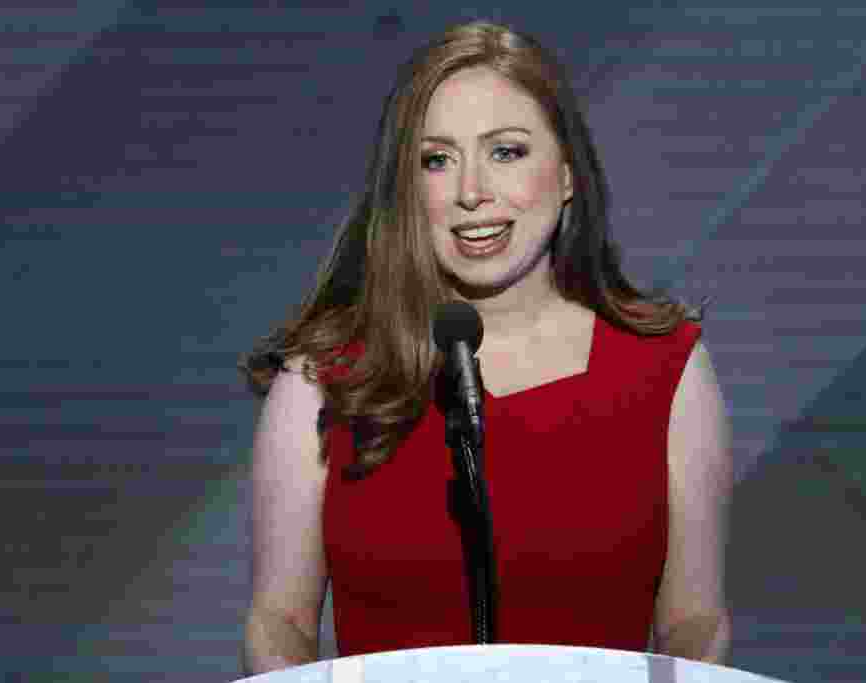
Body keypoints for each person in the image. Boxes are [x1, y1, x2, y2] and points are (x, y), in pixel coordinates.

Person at [238, 19, 732, 675]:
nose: (472, 192)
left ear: (566, 173)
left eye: (506, 152)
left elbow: (694, 620)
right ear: (407, 189)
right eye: (437, 160)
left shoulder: (666, 367)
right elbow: (280, 620)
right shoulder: (321, 380)